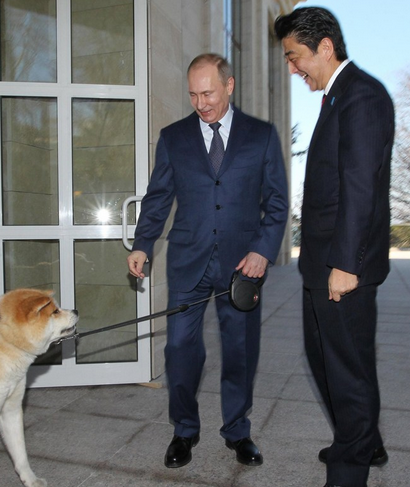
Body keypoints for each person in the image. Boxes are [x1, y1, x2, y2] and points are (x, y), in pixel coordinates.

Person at [127, 53, 288, 469]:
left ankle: (237, 431)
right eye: (194, 95)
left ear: (228, 86)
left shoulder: (261, 135)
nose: (201, 103)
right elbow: (158, 197)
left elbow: (276, 202)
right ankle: (184, 429)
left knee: (240, 351)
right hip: (188, 260)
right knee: (180, 349)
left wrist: (263, 250)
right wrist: (143, 243)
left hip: (243, 265)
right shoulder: (174, 137)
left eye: (209, 93)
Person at [274, 7, 394, 487]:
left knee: (346, 370)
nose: (292, 69)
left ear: (324, 47)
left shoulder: (362, 95)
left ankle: (349, 469)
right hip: (321, 263)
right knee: (328, 358)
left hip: (343, 266)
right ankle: (364, 441)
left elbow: (360, 187)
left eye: (294, 56)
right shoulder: (337, 96)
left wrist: (345, 264)